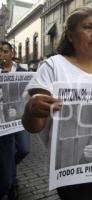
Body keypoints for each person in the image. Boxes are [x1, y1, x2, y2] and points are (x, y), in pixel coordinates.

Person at [22, 7, 92, 200]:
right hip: (72, 165)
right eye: (88, 27)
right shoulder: (53, 66)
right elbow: (33, 126)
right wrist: (32, 109)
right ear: (70, 35)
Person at [0, 41, 30, 200]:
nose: (3, 55)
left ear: (12, 52)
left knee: (24, 149)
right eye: (0, 52)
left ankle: (8, 171)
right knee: (7, 150)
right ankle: (11, 183)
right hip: (4, 120)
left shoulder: (21, 70)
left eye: (5, 51)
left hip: (20, 117)